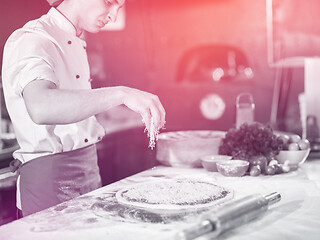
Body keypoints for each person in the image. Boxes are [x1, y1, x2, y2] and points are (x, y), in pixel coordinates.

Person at [1, 0, 166, 217]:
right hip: (51, 183)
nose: (113, 16)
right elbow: (42, 107)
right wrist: (122, 94)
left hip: (88, 173)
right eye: (109, 2)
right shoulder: (33, 39)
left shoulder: (76, 40)